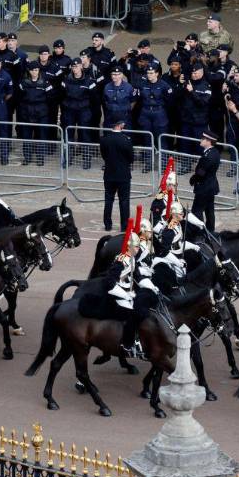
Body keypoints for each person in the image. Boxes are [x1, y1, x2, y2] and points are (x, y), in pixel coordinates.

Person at [106, 223, 145, 358]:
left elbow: (138, 277)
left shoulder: (132, 260)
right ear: (129, 246)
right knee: (132, 315)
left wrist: (150, 287)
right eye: (136, 246)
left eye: (139, 246)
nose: (138, 249)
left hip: (128, 293)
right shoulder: (120, 261)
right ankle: (127, 344)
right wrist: (126, 295)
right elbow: (110, 283)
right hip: (117, 295)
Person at [99, 120, 134, 231]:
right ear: (119, 125)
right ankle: (124, 226)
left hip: (109, 174)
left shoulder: (104, 139)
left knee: (108, 200)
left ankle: (107, 225)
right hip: (123, 175)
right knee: (124, 201)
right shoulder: (126, 140)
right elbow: (131, 158)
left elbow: (104, 155)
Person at [62, 57, 97, 169]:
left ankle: (86, 160)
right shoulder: (66, 80)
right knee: (69, 134)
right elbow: (61, 94)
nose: (75, 69)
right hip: (70, 110)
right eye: (73, 67)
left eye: (77, 66)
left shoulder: (89, 81)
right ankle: (67, 159)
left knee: (85, 135)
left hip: (83, 110)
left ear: (81, 66)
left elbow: (94, 97)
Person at [137, 64, 173, 169]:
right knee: (147, 139)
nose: (149, 75)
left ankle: (163, 165)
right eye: (148, 73)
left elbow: (170, 101)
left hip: (159, 113)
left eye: (151, 73)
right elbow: (139, 99)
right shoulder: (142, 84)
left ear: (157, 73)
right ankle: (148, 164)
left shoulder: (164, 85)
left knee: (161, 139)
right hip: (146, 112)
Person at [17, 61, 53, 167]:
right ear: (29, 71)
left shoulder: (45, 83)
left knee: (42, 137)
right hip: (27, 113)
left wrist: (45, 111)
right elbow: (19, 97)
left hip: (41, 113)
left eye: (36, 70)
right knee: (27, 137)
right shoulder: (23, 83)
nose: (35, 72)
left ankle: (40, 158)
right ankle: (27, 158)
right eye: (33, 70)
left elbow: (51, 98)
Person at [179, 62, 212, 167]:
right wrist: (180, 85)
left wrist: (192, 91)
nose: (194, 75)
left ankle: (201, 166)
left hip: (199, 121)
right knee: (185, 144)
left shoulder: (206, 86)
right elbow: (177, 97)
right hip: (186, 120)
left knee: (200, 146)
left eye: (196, 73)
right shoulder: (188, 83)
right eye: (192, 73)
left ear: (201, 72)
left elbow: (202, 103)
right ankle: (185, 165)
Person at [190, 130, 221, 231]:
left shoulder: (209, 155)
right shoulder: (213, 152)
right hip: (210, 186)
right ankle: (211, 231)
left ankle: (199, 232)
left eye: (203, 139)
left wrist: (193, 179)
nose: (201, 140)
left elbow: (201, 172)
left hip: (204, 187)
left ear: (209, 141)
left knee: (196, 211)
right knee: (209, 211)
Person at [104, 65, 134, 130]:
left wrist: (126, 110)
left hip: (124, 117)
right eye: (113, 74)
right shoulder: (107, 87)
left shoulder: (128, 87)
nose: (115, 76)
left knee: (126, 136)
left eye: (117, 74)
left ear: (122, 75)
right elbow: (105, 100)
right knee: (109, 135)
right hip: (110, 116)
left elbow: (133, 101)